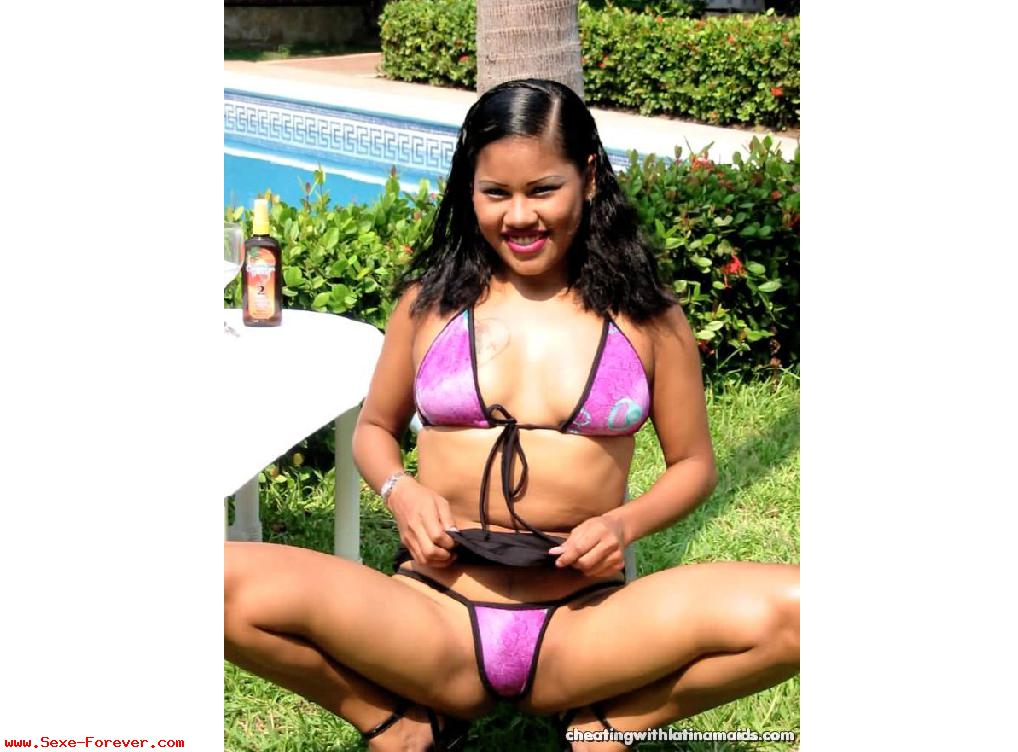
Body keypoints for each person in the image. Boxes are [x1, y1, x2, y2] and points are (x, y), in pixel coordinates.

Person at [224, 78, 799, 752]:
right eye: (496, 193)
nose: (519, 216)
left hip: (587, 622)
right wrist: (401, 491)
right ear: (469, 189)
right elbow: (375, 430)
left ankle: (607, 726)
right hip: (431, 611)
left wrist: (622, 524)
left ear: (588, 178)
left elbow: (694, 465)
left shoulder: (647, 316)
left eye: (542, 190)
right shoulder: (429, 304)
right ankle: (398, 724)